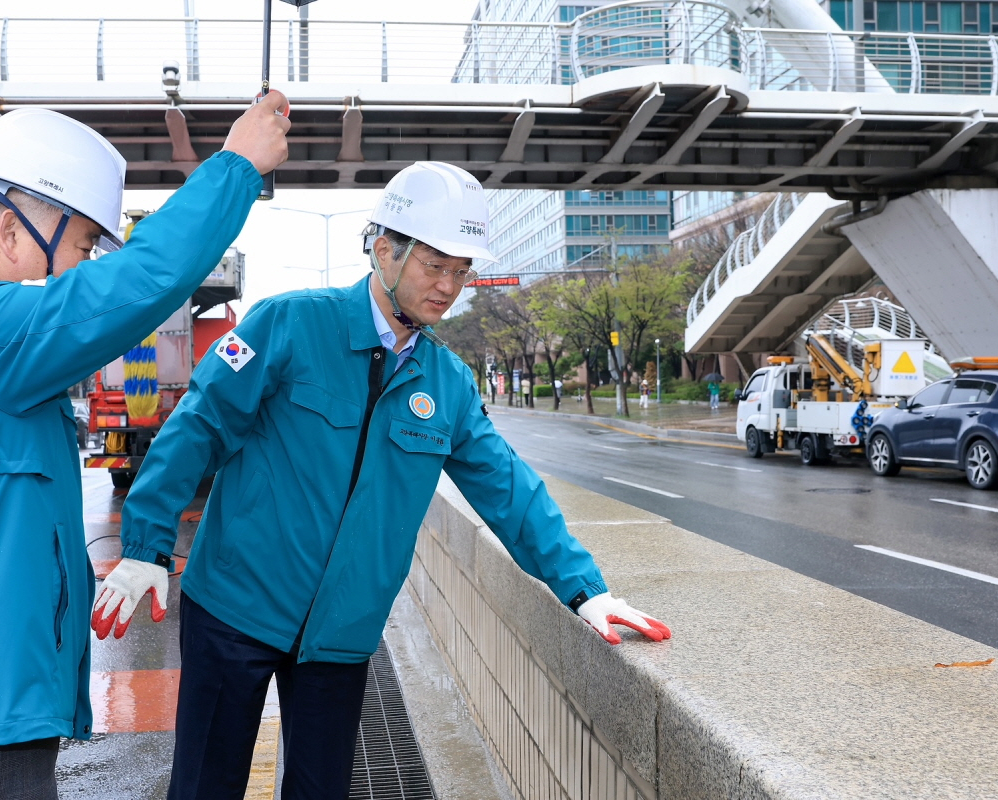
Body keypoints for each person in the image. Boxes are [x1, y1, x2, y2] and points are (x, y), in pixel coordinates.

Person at [91, 161, 671, 800]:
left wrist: (584, 589)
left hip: (341, 637)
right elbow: (197, 428)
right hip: (235, 609)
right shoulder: (288, 325)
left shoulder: (446, 383)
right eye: (434, 265)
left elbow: (507, 486)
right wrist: (145, 543)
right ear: (385, 249)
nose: (449, 286)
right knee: (205, 785)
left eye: (461, 270)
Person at [0, 97, 290, 798]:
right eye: (81, 245)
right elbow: (136, 286)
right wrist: (237, 166)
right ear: (11, 230)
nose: (79, 269)